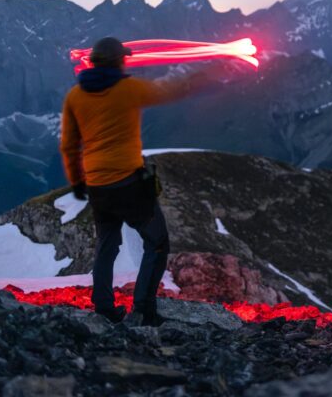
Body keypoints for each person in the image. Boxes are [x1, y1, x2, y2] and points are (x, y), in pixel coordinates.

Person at [60, 37, 229, 325]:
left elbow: (68, 144)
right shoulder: (128, 89)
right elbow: (168, 90)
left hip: (97, 185)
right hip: (128, 183)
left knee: (106, 245)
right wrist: (205, 75)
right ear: (117, 61)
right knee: (157, 242)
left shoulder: (75, 96)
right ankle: (143, 309)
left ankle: (103, 308)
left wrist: (77, 182)